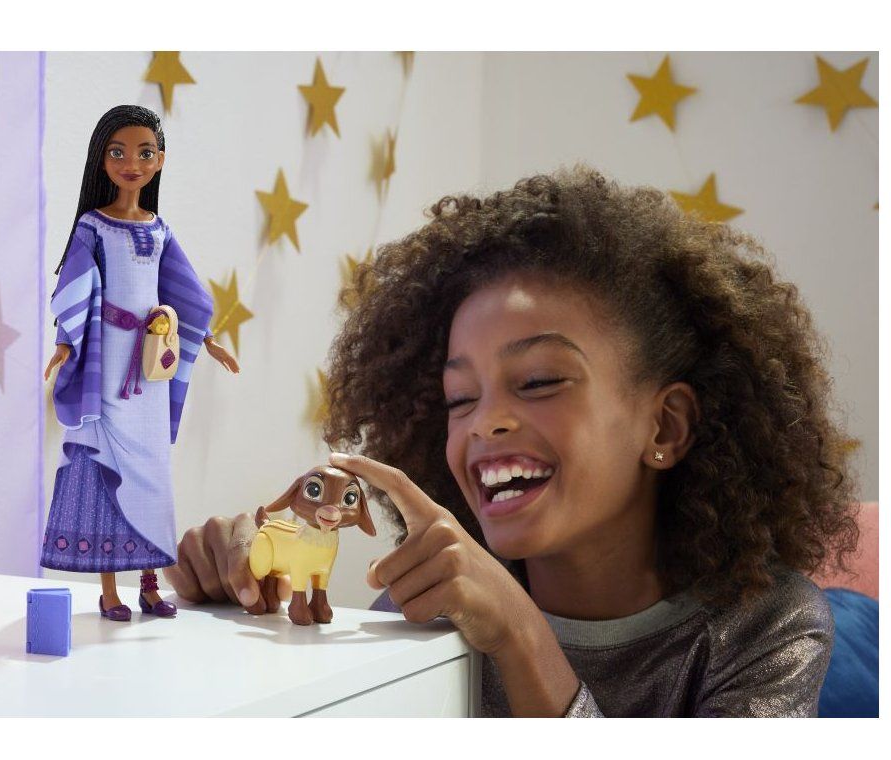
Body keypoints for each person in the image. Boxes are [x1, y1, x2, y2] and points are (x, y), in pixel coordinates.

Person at [164, 166, 859, 715]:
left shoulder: (769, 628)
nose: (483, 422)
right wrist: (242, 619)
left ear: (665, 426)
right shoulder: (431, 603)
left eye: (540, 381)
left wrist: (520, 635)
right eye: (459, 398)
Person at [44, 105, 239, 621]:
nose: (132, 163)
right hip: (107, 364)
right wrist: (66, 342)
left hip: (152, 366)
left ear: (160, 160)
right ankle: (110, 590)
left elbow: (183, 291)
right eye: (118, 152)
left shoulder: (159, 229)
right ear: (102, 159)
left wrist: (207, 338)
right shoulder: (93, 227)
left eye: (144, 153)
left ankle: (150, 584)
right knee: (104, 467)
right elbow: (76, 286)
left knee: (152, 472)